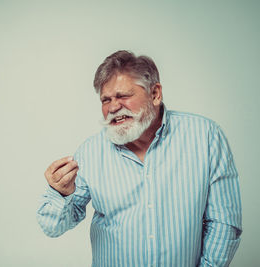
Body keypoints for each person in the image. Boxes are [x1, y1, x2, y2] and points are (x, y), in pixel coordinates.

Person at [37, 50, 242, 267]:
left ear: (155, 94)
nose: (113, 107)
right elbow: (53, 227)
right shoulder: (90, 152)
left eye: (123, 96)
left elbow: (224, 222)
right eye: (105, 100)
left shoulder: (205, 137)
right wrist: (60, 193)